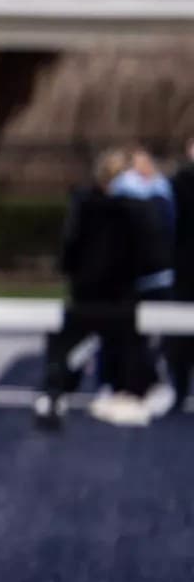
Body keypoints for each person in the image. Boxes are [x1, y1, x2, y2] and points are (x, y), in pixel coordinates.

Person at [39, 149, 148, 429]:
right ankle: (115, 393)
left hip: (90, 291)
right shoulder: (131, 209)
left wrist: (70, 272)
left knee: (69, 345)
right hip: (115, 295)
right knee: (117, 346)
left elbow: (70, 245)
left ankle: (58, 393)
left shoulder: (88, 205)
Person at [110, 148, 177, 416]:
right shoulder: (124, 191)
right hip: (134, 277)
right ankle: (132, 382)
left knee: (161, 333)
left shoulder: (164, 192)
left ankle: (155, 379)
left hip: (160, 275)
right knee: (132, 334)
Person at [169, 137, 194, 412]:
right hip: (185, 268)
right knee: (180, 331)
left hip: (184, 267)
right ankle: (179, 388)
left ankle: (180, 388)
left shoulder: (178, 182)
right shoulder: (180, 183)